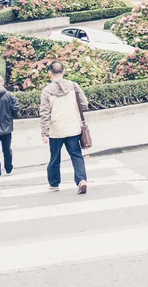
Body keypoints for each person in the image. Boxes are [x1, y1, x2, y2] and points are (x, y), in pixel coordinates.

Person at [40, 61, 89, 194]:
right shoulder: (73, 86)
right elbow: (84, 104)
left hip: (56, 130)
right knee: (76, 155)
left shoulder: (46, 91)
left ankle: (54, 183)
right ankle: (81, 180)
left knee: (55, 157)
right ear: (64, 71)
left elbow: (45, 113)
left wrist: (44, 133)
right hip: (73, 127)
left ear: (50, 73)